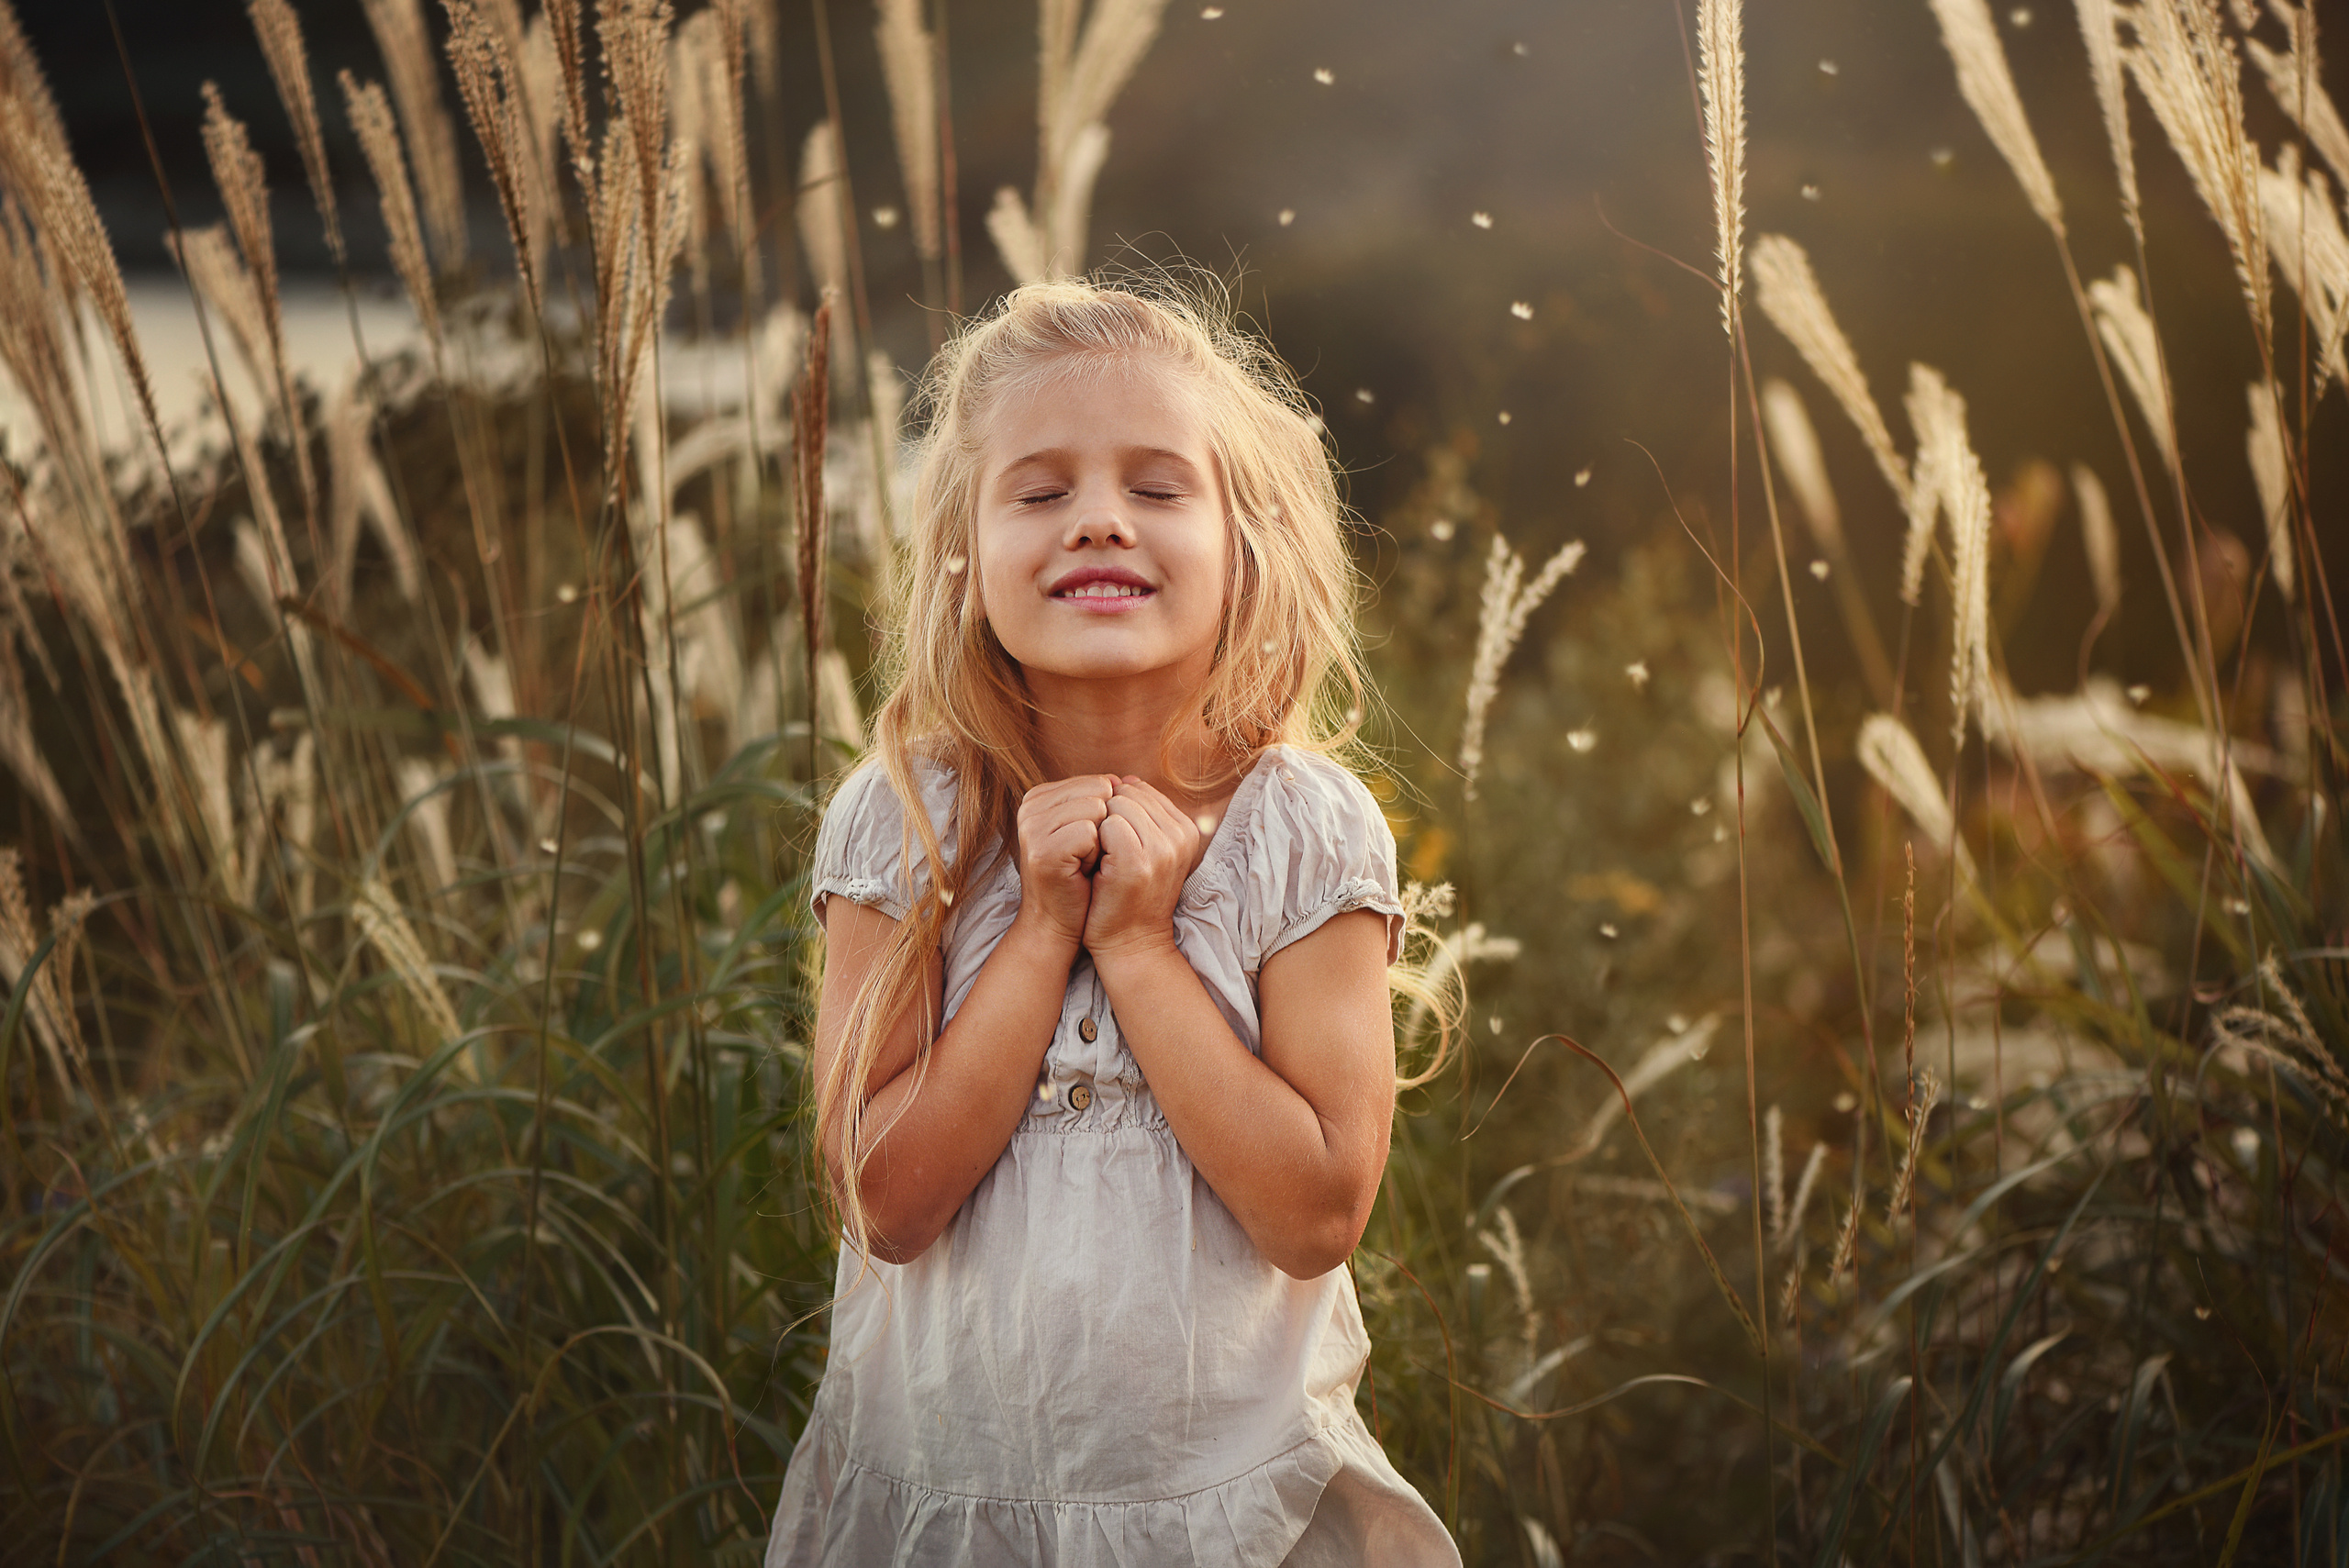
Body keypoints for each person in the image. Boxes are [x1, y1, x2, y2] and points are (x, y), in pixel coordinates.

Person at [766, 275, 1460, 1567]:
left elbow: (1314, 1214)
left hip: (1232, 1520)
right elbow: (886, 1199)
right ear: (966, 550)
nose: (1098, 521)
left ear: (1240, 541)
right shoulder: (906, 823)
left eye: (1155, 487)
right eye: (1041, 491)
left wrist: (1139, 946)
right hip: (942, 1516)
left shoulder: (1300, 831)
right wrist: (1040, 932)